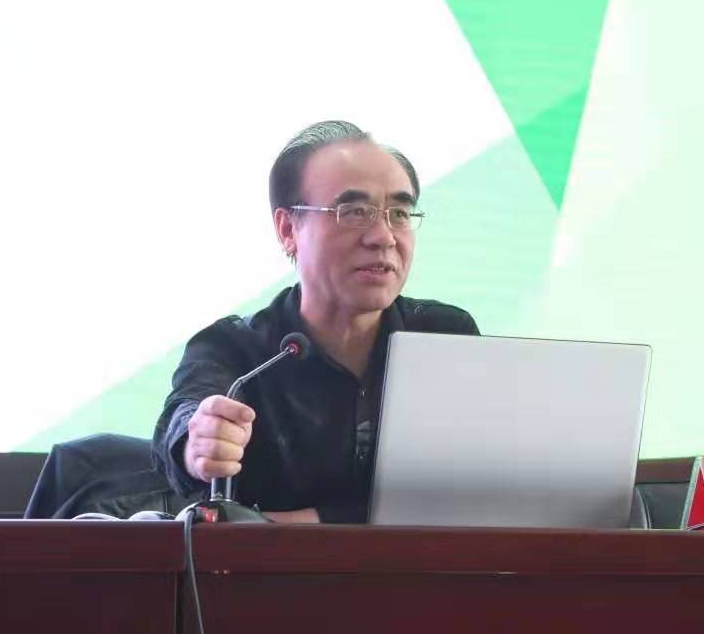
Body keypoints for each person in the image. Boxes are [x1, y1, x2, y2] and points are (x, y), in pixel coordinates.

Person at [151, 121, 479, 523]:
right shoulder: (234, 348)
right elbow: (185, 417)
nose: (383, 237)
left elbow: (460, 492)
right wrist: (196, 441)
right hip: (265, 566)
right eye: (354, 212)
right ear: (288, 229)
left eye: (398, 213)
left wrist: (297, 522)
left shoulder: (444, 336)